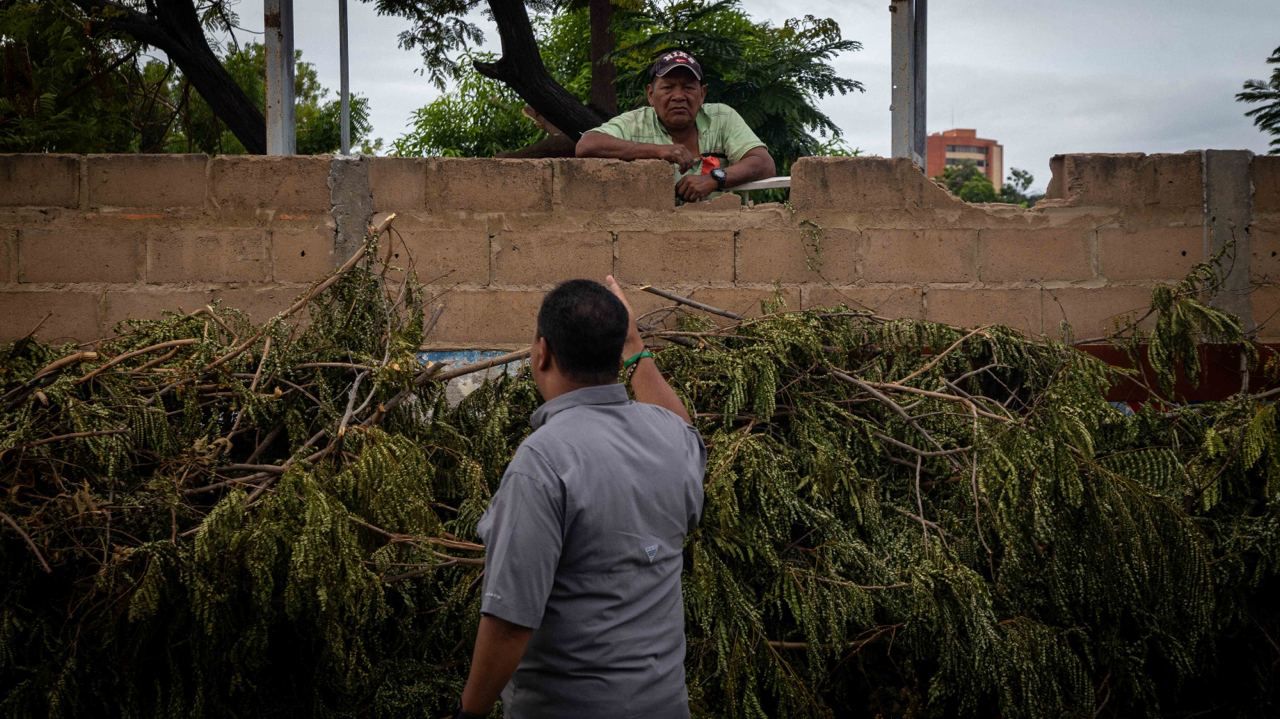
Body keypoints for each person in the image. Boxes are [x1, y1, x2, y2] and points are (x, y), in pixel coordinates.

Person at [455, 276, 707, 719]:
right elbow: (682, 427)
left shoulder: (543, 461)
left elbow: (511, 622)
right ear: (616, 351)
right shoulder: (670, 441)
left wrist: (468, 712)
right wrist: (636, 348)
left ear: (541, 353)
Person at [575, 49, 776, 203]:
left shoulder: (722, 117)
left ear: (702, 94)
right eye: (668, 87)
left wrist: (713, 179)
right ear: (650, 95)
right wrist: (658, 151)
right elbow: (587, 145)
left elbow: (764, 164)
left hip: (721, 234)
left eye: (688, 87)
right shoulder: (636, 122)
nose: (678, 96)